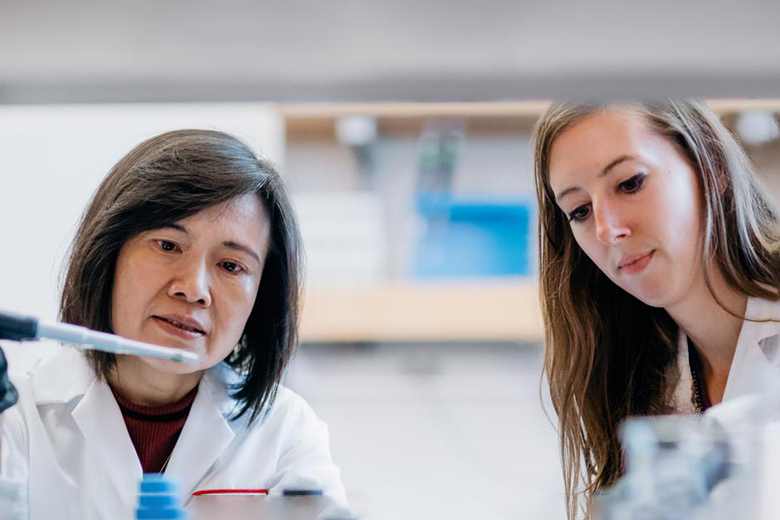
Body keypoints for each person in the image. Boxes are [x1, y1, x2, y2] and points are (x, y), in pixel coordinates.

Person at [0, 129, 345, 519]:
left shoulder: (285, 433)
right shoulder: (18, 420)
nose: (194, 289)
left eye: (231, 266)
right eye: (168, 246)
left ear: (260, 299)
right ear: (109, 253)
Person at [533, 100, 780, 519]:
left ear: (711, 165)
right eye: (579, 211)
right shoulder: (636, 381)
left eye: (629, 183)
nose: (608, 230)